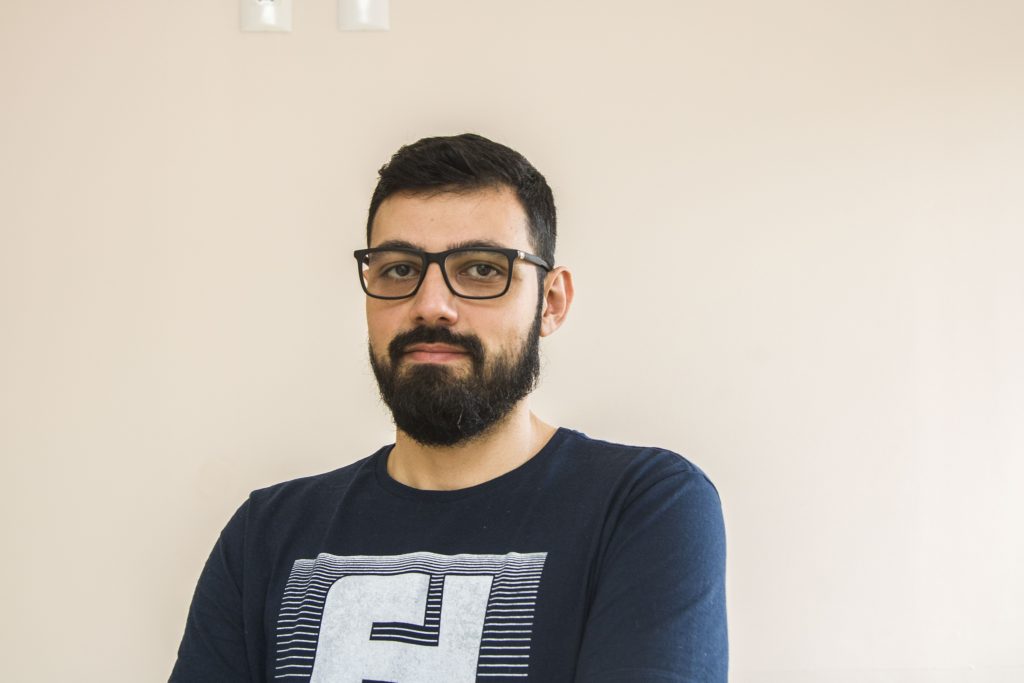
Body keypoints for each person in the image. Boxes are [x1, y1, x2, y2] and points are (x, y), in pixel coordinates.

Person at [170, 133, 728, 682]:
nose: (431, 305)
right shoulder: (266, 534)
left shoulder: (641, 505)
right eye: (399, 269)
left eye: (482, 269)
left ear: (551, 303)